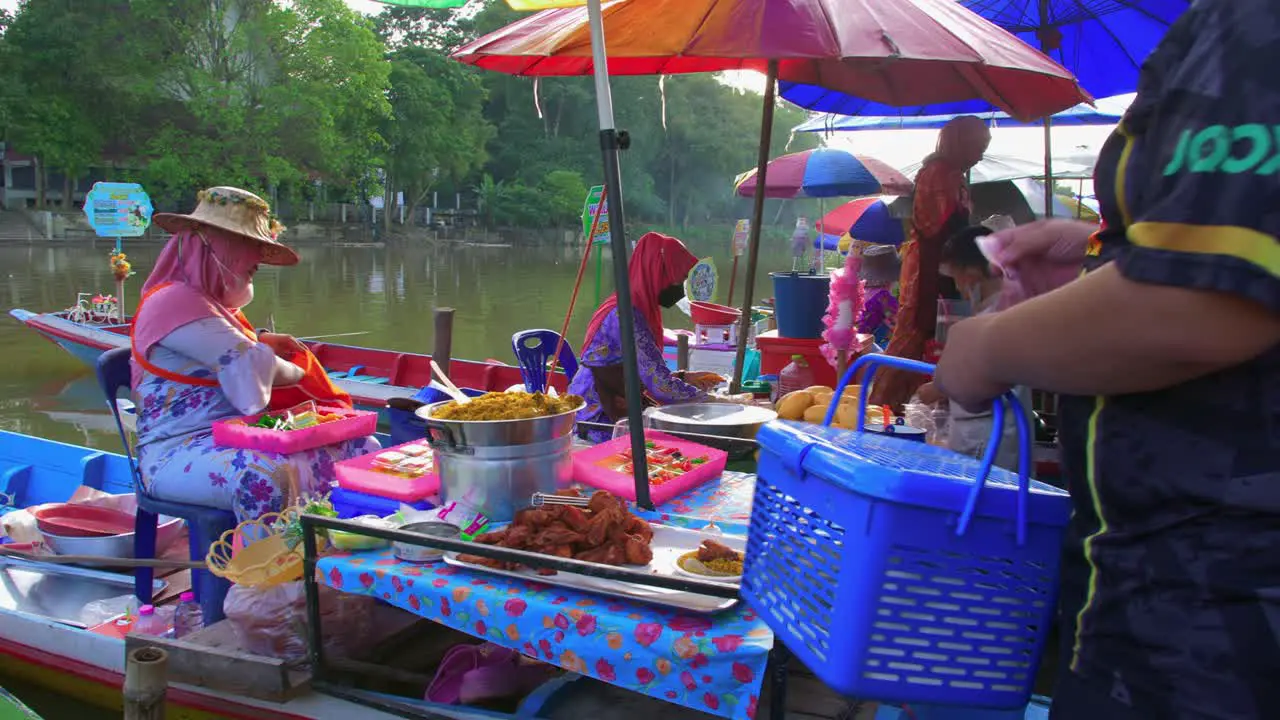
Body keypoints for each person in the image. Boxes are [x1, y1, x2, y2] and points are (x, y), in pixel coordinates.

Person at [931, 2, 1280, 716]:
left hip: (1214, 616)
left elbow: (1204, 308)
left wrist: (987, 346)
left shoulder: (1252, 26)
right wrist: (1097, 258)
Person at [131, 186, 379, 522]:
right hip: (176, 451)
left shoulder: (212, 306)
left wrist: (261, 342)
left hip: (235, 434)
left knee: (363, 449)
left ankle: (329, 553)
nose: (257, 262)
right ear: (220, 247)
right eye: (251, 249)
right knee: (265, 478)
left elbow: (237, 349)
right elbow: (253, 365)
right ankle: (261, 572)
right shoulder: (174, 300)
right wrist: (296, 367)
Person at [871, 115, 990, 409]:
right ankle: (884, 407)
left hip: (952, 269)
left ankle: (933, 406)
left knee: (947, 338)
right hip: (930, 268)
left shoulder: (955, 176)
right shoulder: (937, 173)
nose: (980, 156)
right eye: (977, 148)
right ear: (960, 144)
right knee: (915, 334)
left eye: (983, 149)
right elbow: (936, 228)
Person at [570, 232, 722, 441]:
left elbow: (645, 370)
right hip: (598, 415)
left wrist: (685, 377)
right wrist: (716, 401)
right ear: (659, 272)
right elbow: (660, 386)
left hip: (619, 397)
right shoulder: (625, 314)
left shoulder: (636, 306)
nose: (679, 288)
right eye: (679, 279)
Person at [918, 225, 1027, 471]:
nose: (957, 287)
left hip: (988, 440)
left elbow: (978, 377)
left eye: (956, 276)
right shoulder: (1008, 308)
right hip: (984, 436)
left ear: (973, 272)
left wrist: (937, 389)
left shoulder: (1000, 317)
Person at [856, 244, 901, 349]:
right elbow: (899, 326)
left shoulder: (860, 291)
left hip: (855, 344)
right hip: (868, 347)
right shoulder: (884, 298)